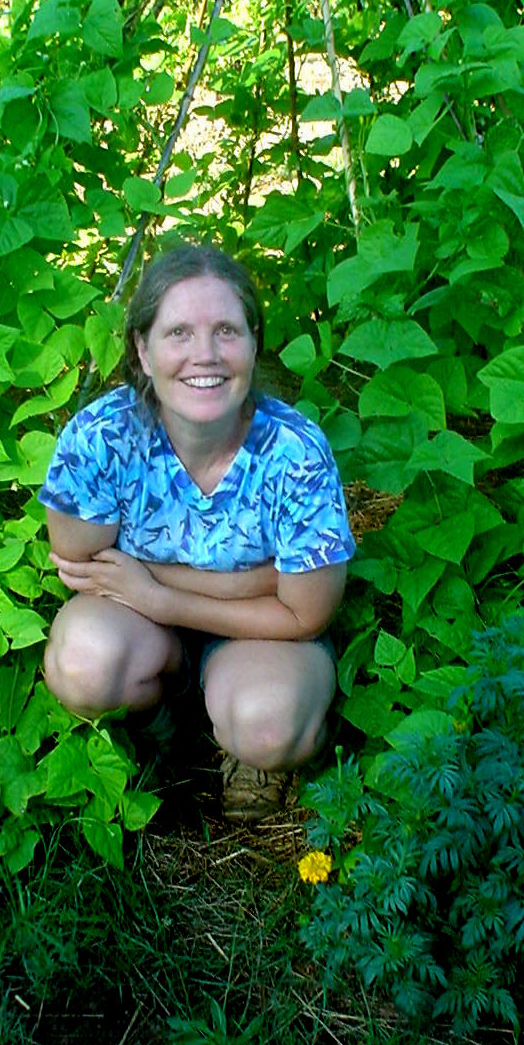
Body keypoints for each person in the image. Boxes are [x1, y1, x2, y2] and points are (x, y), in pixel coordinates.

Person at [38, 243, 355, 820]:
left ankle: (257, 752)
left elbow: (306, 615)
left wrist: (155, 590)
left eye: (227, 331)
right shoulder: (103, 436)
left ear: (255, 342)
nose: (204, 355)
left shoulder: (295, 452)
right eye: (179, 332)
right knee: (83, 661)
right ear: (142, 347)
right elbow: (78, 561)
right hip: (146, 627)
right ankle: (161, 727)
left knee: (269, 721)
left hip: (261, 642)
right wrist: (264, 581)